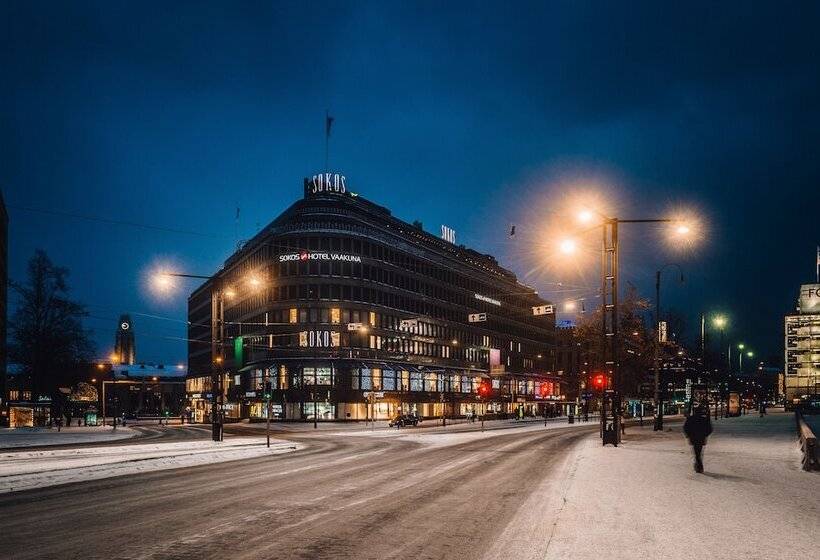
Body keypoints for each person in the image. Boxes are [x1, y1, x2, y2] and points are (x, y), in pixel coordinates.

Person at [683, 403, 713, 473]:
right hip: (701, 438)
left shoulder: (691, 419)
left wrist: (688, 435)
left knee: (697, 452)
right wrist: (705, 435)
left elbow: (685, 428)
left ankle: (698, 465)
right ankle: (699, 465)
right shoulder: (704, 419)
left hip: (693, 438)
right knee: (699, 452)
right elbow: (710, 429)